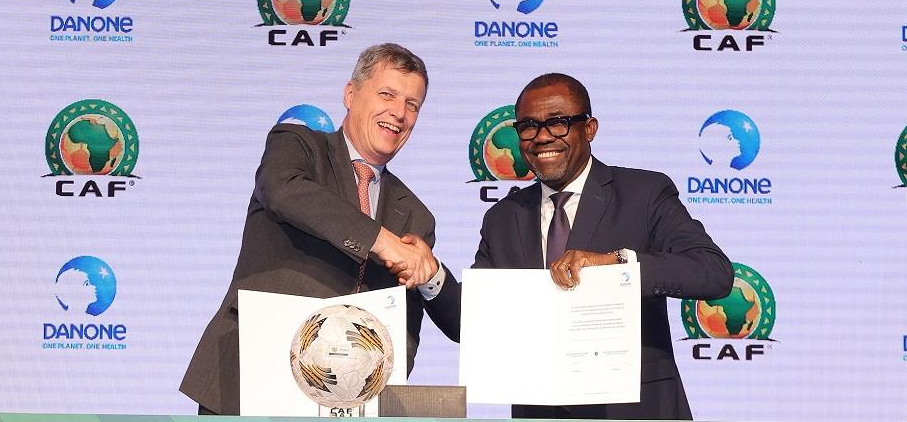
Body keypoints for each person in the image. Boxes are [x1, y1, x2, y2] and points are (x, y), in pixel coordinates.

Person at [423, 73, 733, 420]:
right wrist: (431, 276)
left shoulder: (644, 193)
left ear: (589, 129)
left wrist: (618, 264)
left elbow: (714, 273)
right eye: (529, 126)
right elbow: (473, 323)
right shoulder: (503, 218)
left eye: (558, 123)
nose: (542, 137)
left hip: (636, 411)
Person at [180, 43, 443, 415]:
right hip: (252, 378)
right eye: (387, 94)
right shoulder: (298, 146)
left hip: (346, 401)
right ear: (350, 94)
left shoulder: (415, 215)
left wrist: (380, 392)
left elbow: (405, 324)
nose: (399, 113)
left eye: (412, 104)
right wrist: (380, 240)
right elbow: (282, 190)